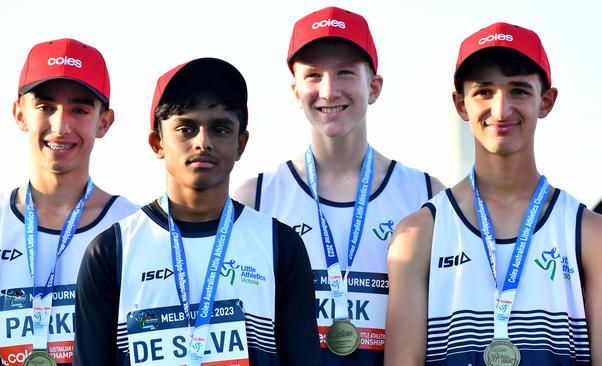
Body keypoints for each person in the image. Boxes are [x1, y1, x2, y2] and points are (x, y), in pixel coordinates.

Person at [73, 57, 320, 365]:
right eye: (186, 128)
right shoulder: (111, 251)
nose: (203, 142)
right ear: (157, 143)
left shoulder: (280, 245)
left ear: (241, 143)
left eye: (219, 129)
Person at [233, 6, 443, 365]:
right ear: (295, 90)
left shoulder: (425, 194)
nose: (329, 91)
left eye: (345, 72)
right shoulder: (256, 196)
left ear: (374, 87)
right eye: (313, 75)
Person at [385, 22, 602, 365]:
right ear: (460, 104)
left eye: (518, 90)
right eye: (484, 92)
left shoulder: (590, 234)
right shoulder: (420, 234)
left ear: (546, 101)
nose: (501, 110)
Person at [0, 38, 139, 365]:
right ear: (19, 114)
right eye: (45, 107)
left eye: (79, 109)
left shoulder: (135, 230)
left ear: (104, 122)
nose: (61, 126)